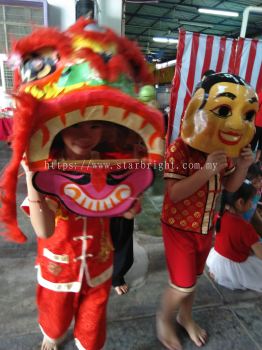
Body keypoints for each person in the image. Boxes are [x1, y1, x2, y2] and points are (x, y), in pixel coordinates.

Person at [157, 72, 257, 350]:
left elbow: (229, 186)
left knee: (194, 280)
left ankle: (185, 316)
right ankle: (164, 320)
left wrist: (244, 167)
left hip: (205, 227)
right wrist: (205, 171)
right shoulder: (179, 150)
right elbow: (174, 194)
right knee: (182, 285)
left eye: (246, 114)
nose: (237, 122)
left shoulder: (224, 150)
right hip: (178, 228)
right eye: (224, 110)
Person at [22, 120, 138, 350]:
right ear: (59, 128)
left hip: (99, 261)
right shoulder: (49, 168)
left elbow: (126, 211)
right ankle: (52, 335)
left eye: (94, 126)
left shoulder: (110, 163)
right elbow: (44, 230)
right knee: (54, 319)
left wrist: (130, 195)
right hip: (59, 265)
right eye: (75, 126)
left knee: (93, 325)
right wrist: (31, 177)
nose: (85, 135)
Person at [206, 183, 262, 291]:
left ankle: (220, 275)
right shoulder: (244, 227)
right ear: (240, 202)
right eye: (251, 201)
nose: (252, 205)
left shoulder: (219, 216)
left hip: (218, 262)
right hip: (236, 267)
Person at [243, 162, 262, 236]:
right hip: (242, 227)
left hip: (248, 222)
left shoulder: (257, 192)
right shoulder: (244, 196)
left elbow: (253, 210)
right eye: (254, 182)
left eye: (260, 180)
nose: (259, 184)